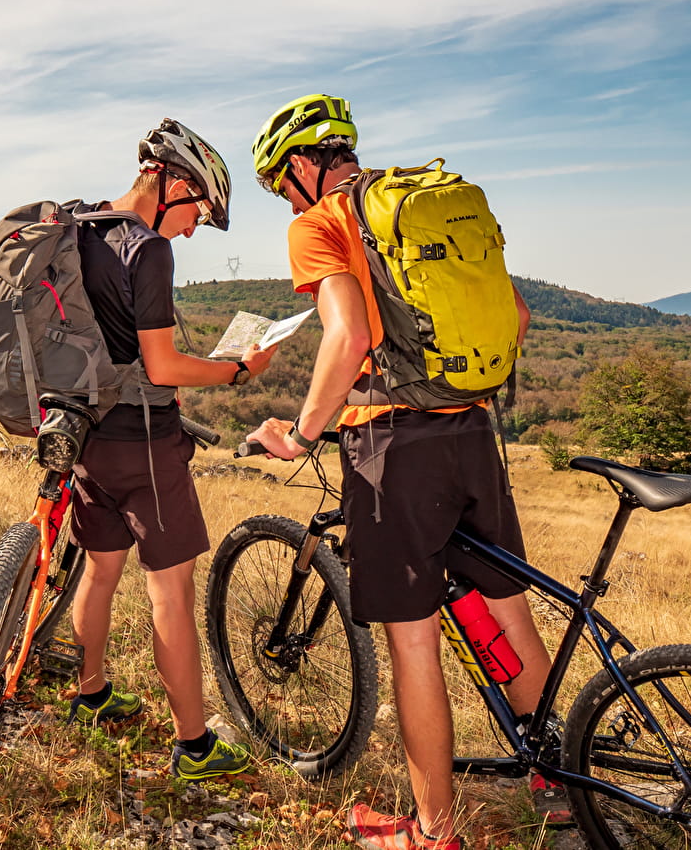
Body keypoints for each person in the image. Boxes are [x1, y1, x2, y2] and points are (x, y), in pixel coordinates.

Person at [244, 95, 559, 849]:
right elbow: (513, 315)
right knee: (506, 601)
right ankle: (558, 777)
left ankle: (431, 832)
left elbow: (348, 332)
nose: (283, 201)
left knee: (412, 639)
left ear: (299, 166)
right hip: (473, 429)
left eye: (278, 185)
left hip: (393, 451)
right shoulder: (421, 205)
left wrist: (302, 429)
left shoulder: (320, 224)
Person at [63, 118, 274, 781]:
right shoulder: (148, 248)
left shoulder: (79, 226)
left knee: (98, 571)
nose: (192, 229)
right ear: (173, 183)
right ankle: (195, 747)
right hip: (145, 444)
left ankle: (90, 694)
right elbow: (161, 365)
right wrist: (239, 370)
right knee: (170, 594)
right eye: (198, 212)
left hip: (84, 433)